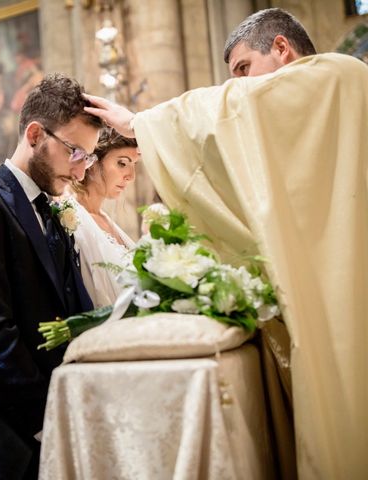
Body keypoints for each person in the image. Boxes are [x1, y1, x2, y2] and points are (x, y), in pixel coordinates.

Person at [83, 8, 367, 479]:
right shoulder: (315, 112)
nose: (237, 88)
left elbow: (239, 107)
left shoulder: (337, 75)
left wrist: (141, 123)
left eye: (242, 70)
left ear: (281, 48)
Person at [0, 73, 102, 479]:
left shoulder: (53, 209)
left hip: (63, 423)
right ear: (34, 134)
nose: (81, 172)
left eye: (88, 158)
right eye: (75, 152)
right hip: (6, 437)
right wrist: (45, 421)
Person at [69, 128, 139, 307]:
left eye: (134, 165)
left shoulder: (106, 219)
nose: (131, 176)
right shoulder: (72, 218)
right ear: (92, 163)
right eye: (122, 163)